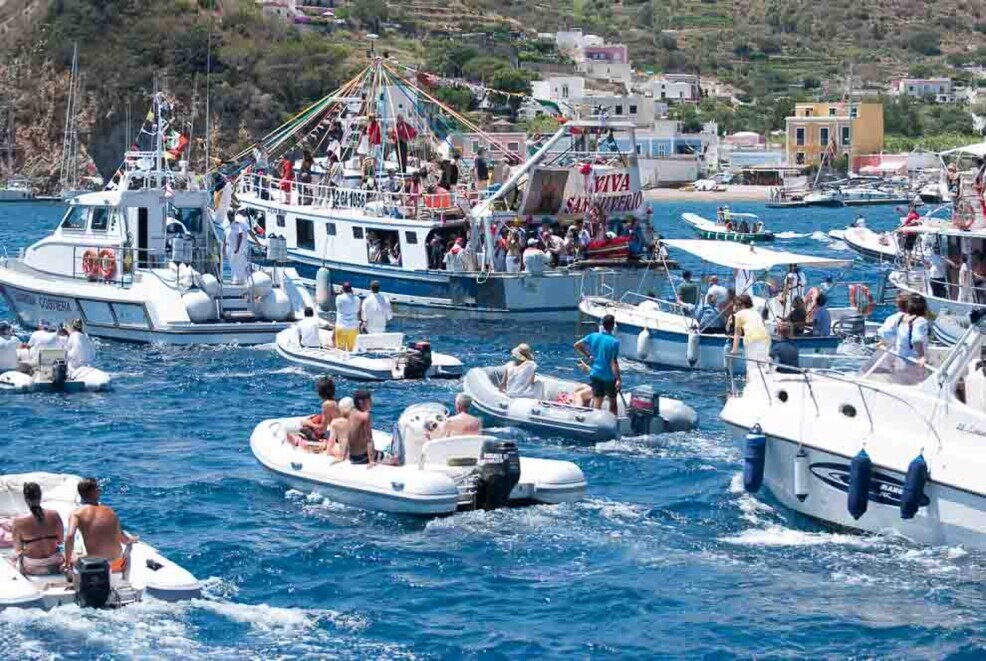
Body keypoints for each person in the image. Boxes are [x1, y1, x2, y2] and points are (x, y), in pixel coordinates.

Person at [63, 478, 137, 574]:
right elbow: (124, 539)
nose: (100, 490)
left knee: (67, 555)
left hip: (95, 566)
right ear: (96, 492)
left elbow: (69, 537)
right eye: (98, 489)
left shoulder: (77, 513)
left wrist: (67, 563)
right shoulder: (110, 511)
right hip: (116, 565)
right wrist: (132, 539)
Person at [11, 482, 65, 576]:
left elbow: (18, 549)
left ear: (25, 499)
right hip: (55, 563)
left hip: (32, 566)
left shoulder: (18, 521)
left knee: (11, 558)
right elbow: (60, 541)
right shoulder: (54, 515)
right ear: (40, 496)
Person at [573, 314, 621, 415]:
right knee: (613, 402)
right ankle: (614, 421)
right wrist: (618, 379)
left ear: (602, 325)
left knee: (597, 400)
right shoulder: (614, 342)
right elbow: (613, 362)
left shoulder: (593, 336)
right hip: (608, 377)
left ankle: (595, 419)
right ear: (612, 326)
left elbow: (577, 345)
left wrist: (588, 355)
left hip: (595, 374)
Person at [731, 294, 771, 375]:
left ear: (742, 305)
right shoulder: (756, 313)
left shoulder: (738, 315)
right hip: (766, 340)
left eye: (736, 305)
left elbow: (737, 334)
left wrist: (734, 351)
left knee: (751, 368)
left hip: (752, 340)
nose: (734, 307)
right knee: (762, 366)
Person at [896, 293, 930, 367]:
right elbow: (917, 339)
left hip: (900, 361)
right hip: (913, 362)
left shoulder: (901, 318)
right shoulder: (920, 321)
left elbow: (888, 333)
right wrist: (921, 356)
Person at [347, 390, 378, 465]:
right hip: (362, 457)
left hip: (351, 456)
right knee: (394, 460)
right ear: (361, 403)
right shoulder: (365, 416)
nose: (371, 403)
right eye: (369, 401)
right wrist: (371, 461)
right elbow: (369, 440)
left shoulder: (350, 412)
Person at [225, 211, 251, 285]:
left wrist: (237, 248)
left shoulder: (238, 224)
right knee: (232, 264)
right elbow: (225, 236)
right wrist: (224, 248)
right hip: (230, 247)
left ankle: (238, 280)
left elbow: (240, 236)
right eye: (228, 215)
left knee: (238, 264)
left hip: (237, 248)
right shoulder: (228, 225)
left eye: (231, 215)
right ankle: (235, 279)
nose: (229, 217)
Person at [325, 396, 354, 461]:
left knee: (329, 445)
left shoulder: (335, 423)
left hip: (346, 454)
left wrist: (328, 454)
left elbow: (331, 442)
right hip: (360, 454)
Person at [334, 282, 360, 351]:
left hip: (341, 326)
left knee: (340, 350)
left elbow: (338, 306)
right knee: (352, 350)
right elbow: (357, 310)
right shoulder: (357, 299)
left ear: (343, 289)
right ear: (351, 289)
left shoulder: (338, 298)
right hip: (353, 327)